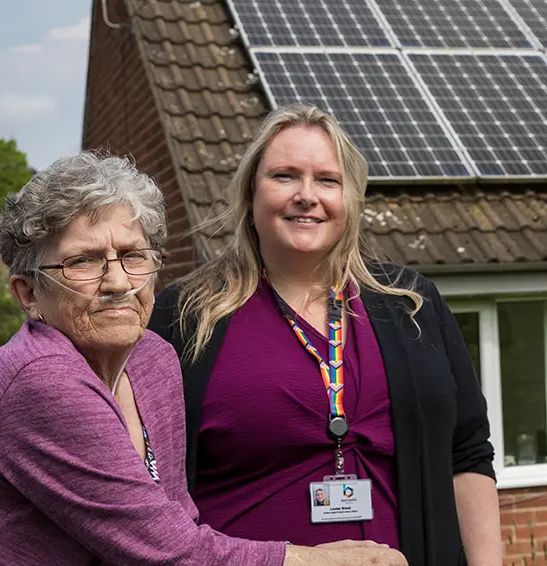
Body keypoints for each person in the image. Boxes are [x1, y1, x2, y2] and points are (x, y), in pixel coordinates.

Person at [0, 152, 405, 566]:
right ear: (28, 294)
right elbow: (166, 553)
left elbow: (177, 523)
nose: (117, 282)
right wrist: (320, 560)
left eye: (133, 256)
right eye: (84, 261)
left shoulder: (153, 359)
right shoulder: (40, 381)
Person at [148, 103, 503, 566]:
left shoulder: (412, 304)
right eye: (284, 176)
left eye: (327, 180)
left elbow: (468, 452)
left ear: (350, 199)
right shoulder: (184, 317)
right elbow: (147, 490)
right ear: (250, 196)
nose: (306, 195)